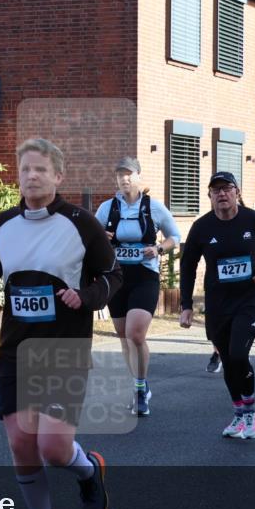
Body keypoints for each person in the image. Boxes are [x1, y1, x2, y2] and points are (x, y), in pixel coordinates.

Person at [0, 138, 121, 509]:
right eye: (25, 169)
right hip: (16, 349)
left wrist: (86, 296)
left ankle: (89, 470)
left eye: (40, 170)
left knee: (53, 447)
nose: (31, 176)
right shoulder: (3, 224)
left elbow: (113, 275)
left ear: (58, 177)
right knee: (21, 443)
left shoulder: (81, 224)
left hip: (65, 349)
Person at [179, 171, 255, 439]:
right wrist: (186, 305)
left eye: (227, 188)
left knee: (238, 354)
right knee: (227, 359)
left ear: (237, 192)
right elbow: (188, 266)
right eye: (216, 190)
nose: (222, 194)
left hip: (248, 299)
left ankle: (251, 416)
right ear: (210, 196)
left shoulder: (253, 219)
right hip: (217, 303)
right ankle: (239, 415)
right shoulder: (202, 227)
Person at [95, 157, 180, 416]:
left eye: (129, 174)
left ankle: (141, 389)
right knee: (123, 337)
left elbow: (174, 237)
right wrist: (101, 237)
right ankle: (135, 383)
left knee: (135, 334)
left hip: (145, 276)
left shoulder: (154, 207)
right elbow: (90, 239)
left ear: (138, 176)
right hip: (117, 278)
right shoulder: (106, 208)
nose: (124, 179)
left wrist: (158, 248)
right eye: (120, 175)